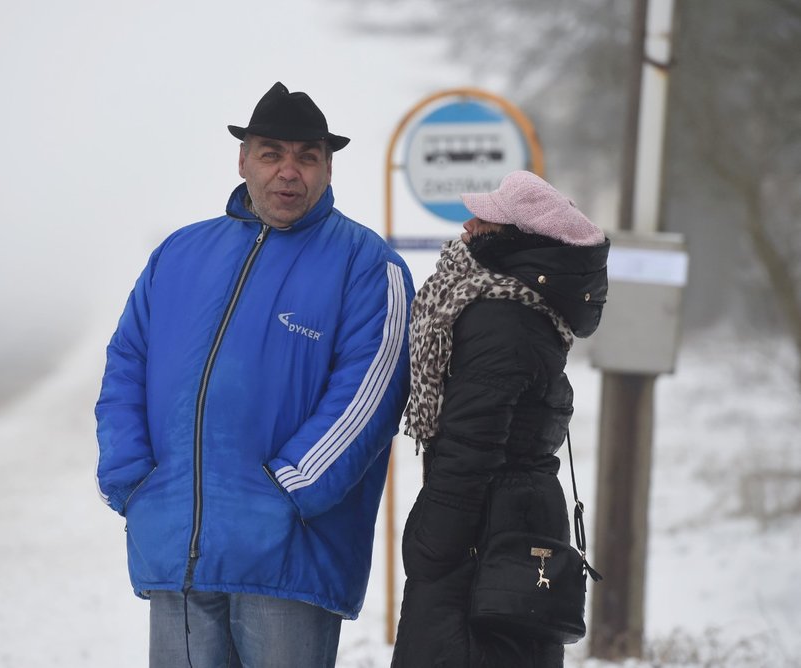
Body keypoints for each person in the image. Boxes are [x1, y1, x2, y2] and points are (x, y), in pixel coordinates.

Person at [94, 81, 414, 668]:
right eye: (271, 153)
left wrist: (288, 493)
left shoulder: (368, 266)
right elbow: (125, 367)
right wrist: (131, 479)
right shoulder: (180, 254)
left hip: (288, 555)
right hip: (176, 547)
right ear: (243, 160)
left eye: (306, 156)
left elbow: (368, 396)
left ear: (327, 168)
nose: (288, 171)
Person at [391, 170, 609, 667]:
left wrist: (434, 542)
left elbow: (472, 444)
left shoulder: (499, 317)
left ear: (514, 239)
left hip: (482, 532)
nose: (467, 225)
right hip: (511, 522)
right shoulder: (526, 309)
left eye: (484, 218)